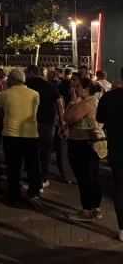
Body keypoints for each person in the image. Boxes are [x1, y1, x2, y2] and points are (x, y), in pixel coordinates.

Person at [63, 78, 107, 222]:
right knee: (92, 176)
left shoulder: (86, 103)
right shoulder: (96, 101)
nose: (75, 89)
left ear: (86, 89)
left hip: (83, 144)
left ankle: (86, 210)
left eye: (78, 87)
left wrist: (72, 102)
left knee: (84, 178)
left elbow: (67, 117)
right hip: (93, 143)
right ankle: (96, 207)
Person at [0, 69, 41, 206]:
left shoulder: (5, 94)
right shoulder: (35, 94)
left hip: (11, 134)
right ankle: (34, 192)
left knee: (12, 166)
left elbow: (2, 110)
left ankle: (14, 194)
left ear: (12, 79)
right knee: (33, 165)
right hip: (30, 134)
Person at [25, 65, 64, 191]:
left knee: (32, 152)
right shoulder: (49, 85)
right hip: (48, 122)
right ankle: (43, 179)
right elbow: (59, 104)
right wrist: (62, 122)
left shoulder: (26, 84)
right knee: (45, 152)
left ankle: (34, 181)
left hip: (31, 122)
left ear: (30, 73)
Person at [96, 83, 123, 241]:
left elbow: (100, 119)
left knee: (120, 187)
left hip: (116, 148)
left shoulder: (109, 96)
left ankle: (122, 229)